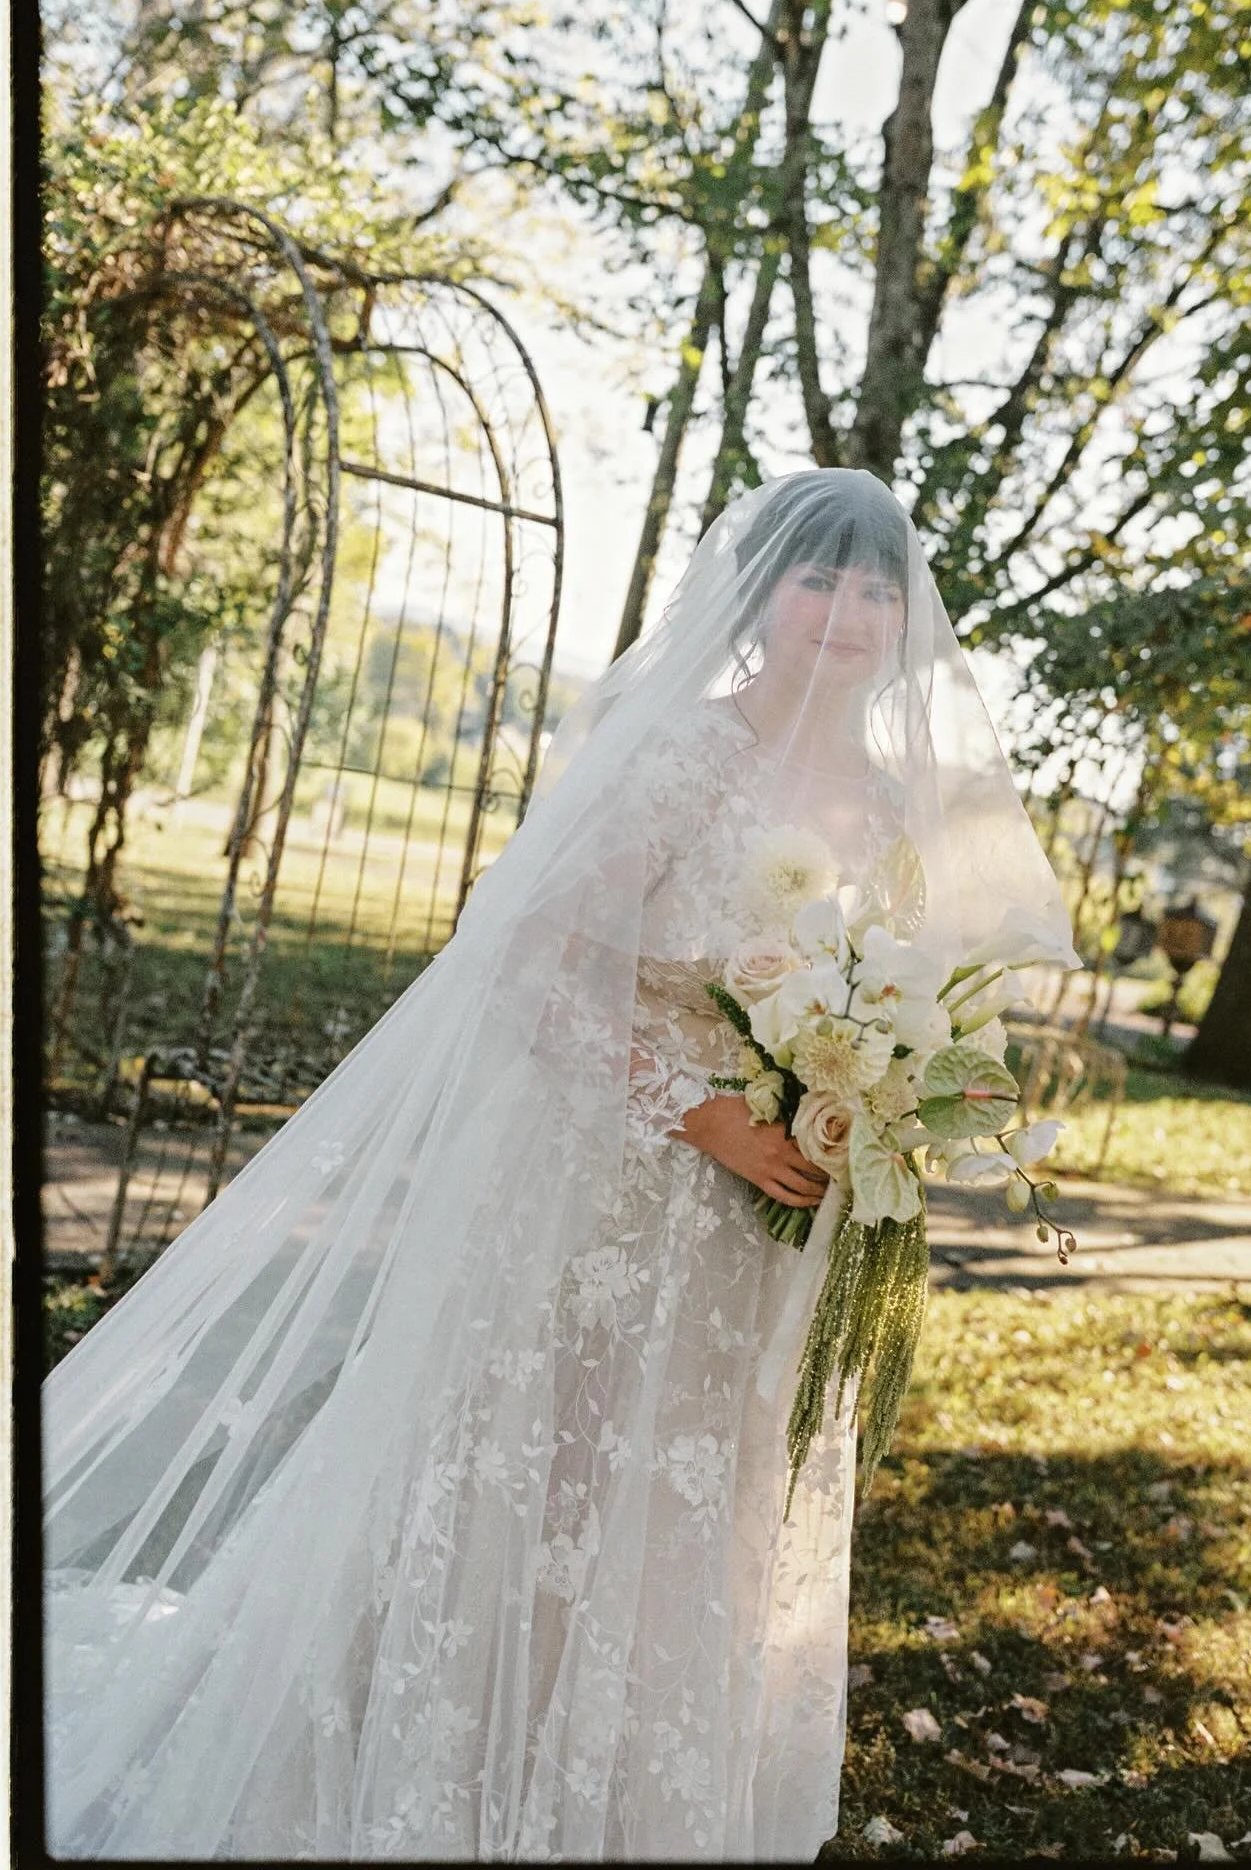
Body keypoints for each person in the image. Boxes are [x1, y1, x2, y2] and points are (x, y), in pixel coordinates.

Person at [43, 468, 1079, 1860]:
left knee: (692, 1497)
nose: (851, 610)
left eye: (880, 587)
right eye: (822, 578)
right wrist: (699, 1109)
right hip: (615, 1182)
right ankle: (446, 1772)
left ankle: (612, 1797)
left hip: (779, 1209)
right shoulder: (683, 757)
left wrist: (874, 1103)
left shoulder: (896, 805)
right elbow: (535, 961)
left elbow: (891, 990)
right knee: (546, 1480)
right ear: (762, 594)